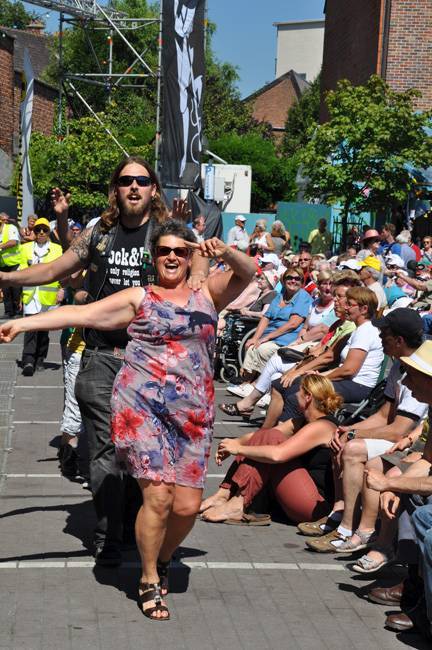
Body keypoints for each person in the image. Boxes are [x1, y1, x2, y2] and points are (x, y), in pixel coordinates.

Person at [0, 220, 257, 620]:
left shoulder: (208, 293)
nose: (171, 257)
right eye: (164, 251)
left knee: (187, 506)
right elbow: (81, 312)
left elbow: (249, 272)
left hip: (193, 414)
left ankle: (164, 556)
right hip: (142, 409)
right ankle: (149, 576)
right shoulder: (140, 297)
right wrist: (22, 323)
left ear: (190, 256)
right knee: (158, 497)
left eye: (180, 251)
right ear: (153, 257)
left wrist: (225, 252)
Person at [0, 156, 211, 567]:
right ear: (116, 188)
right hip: (102, 357)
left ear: (153, 188)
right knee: (106, 450)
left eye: (142, 181)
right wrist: (6, 278)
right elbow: (54, 269)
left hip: (152, 363)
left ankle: (135, 524)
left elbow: (199, 260)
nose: (134, 187)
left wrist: (200, 274)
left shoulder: (166, 232)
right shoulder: (99, 232)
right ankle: (108, 535)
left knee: (142, 456)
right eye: (126, 180)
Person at [306, 309, 427, 553]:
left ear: (399, 340)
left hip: (409, 444)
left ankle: (349, 528)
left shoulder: (418, 372)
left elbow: (399, 430)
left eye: (384, 334)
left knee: (353, 449)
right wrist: (348, 429)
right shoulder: (398, 366)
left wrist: (354, 435)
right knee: (341, 439)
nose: (380, 338)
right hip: (397, 439)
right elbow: (383, 415)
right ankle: (340, 511)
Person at [201, 375, 342, 524]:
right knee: (266, 434)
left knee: (273, 439)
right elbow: (262, 436)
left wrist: (239, 449)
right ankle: (223, 494)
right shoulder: (301, 422)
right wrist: (233, 443)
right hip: (297, 493)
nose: (295, 395)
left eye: (299, 391)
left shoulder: (323, 426)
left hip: (315, 507)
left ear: (308, 397)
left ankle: (238, 503)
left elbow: (278, 455)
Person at [221, 279, 355, 416]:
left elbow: (328, 356)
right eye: (335, 295)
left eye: (340, 297)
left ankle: (251, 398)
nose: (335, 300)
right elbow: (317, 342)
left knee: (277, 362)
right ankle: (260, 406)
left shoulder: (349, 326)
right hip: (311, 355)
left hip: (327, 369)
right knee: (277, 375)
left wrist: (297, 370)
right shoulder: (338, 322)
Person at [266, 287, 384, 427]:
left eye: (349, 304)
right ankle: (267, 431)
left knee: (297, 396)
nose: (345, 307)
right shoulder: (358, 330)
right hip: (346, 380)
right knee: (279, 385)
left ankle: (283, 436)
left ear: (364, 309)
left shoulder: (366, 332)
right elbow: (339, 364)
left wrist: (320, 377)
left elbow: (349, 370)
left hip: (357, 386)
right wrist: (312, 374)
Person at [238, 266, 312, 382]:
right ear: (284, 280)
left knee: (262, 349)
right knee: (252, 345)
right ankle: (247, 382)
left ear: (302, 282)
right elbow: (266, 317)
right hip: (270, 336)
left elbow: (293, 324)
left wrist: (266, 338)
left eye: (297, 279)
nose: (293, 281)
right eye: (289, 278)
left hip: (285, 338)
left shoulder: (303, 297)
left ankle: (256, 384)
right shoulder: (280, 295)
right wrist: (255, 338)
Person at [18, 217, 63, 376]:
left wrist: (61, 289)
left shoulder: (57, 249)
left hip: (48, 296)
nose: (41, 233)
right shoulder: (25, 248)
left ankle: (40, 359)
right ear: (34, 232)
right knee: (30, 328)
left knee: (44, 330)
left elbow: (61, 271)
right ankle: (28, 360)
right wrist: (20, 297)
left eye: (44, 230)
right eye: (38, 230)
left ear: (49, 232)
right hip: (30, 294)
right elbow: (21, 272)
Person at [0, 211, 22, 318]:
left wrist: (0, 246)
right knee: (5, 289)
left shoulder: (11, 228)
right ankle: (8, 311)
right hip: (3, 264)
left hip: (15, 262)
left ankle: (18, 311)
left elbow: (13, 242)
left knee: (15, 287)